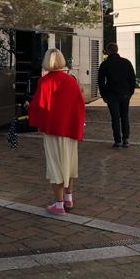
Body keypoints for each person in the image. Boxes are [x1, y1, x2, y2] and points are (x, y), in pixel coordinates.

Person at [28, 48, 85, 216]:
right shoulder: (71, 81)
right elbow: (79, 105)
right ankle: (69, 198)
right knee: (69, 164)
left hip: (53, 129)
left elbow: (39, 106)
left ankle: (59, 204)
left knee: (55, 166)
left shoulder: (45, 82)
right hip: (70, 129)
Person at [98, 42, 136, 148]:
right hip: (125, 94)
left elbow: (101, 81)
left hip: (111, 94)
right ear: (117, 50)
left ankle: (117, 140)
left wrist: (103, 95)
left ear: (108, 51)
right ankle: (126, 139)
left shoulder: (105, 64)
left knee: (115, 118)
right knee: (124, 116)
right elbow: (132, 79)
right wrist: (130, 92)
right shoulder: (126, 62)